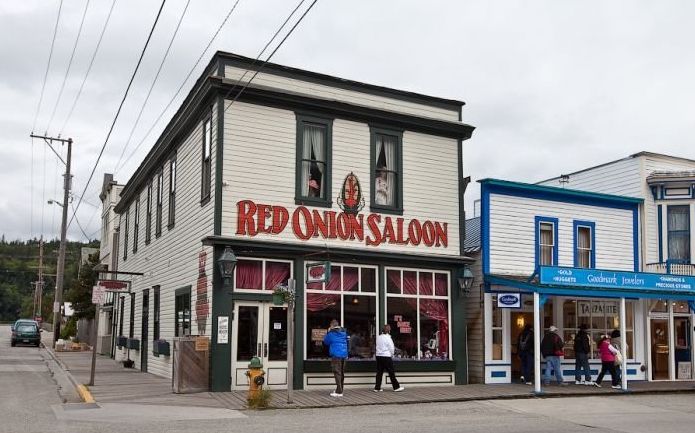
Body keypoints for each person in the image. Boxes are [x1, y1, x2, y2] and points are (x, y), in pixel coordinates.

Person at [374, 324, 405, 392]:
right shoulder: (388, 338)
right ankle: (396, 387)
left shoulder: (379, 337)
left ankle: (377, 387)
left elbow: (377, 346)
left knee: (379, 372)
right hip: (386, 356)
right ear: (388, 331)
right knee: (391, 372)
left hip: (378, 356)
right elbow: (391, 348)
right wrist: (392, 354)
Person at [323, 319, 349, 397]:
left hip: (336, 355)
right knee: (341, 372)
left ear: (331, 326)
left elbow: (326, 342)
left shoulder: (331, 333)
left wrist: (328, 332)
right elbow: (348, 342)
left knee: (337, 372)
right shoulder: (344, 332)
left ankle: (339, 392)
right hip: (344, 354)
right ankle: (340, 389)